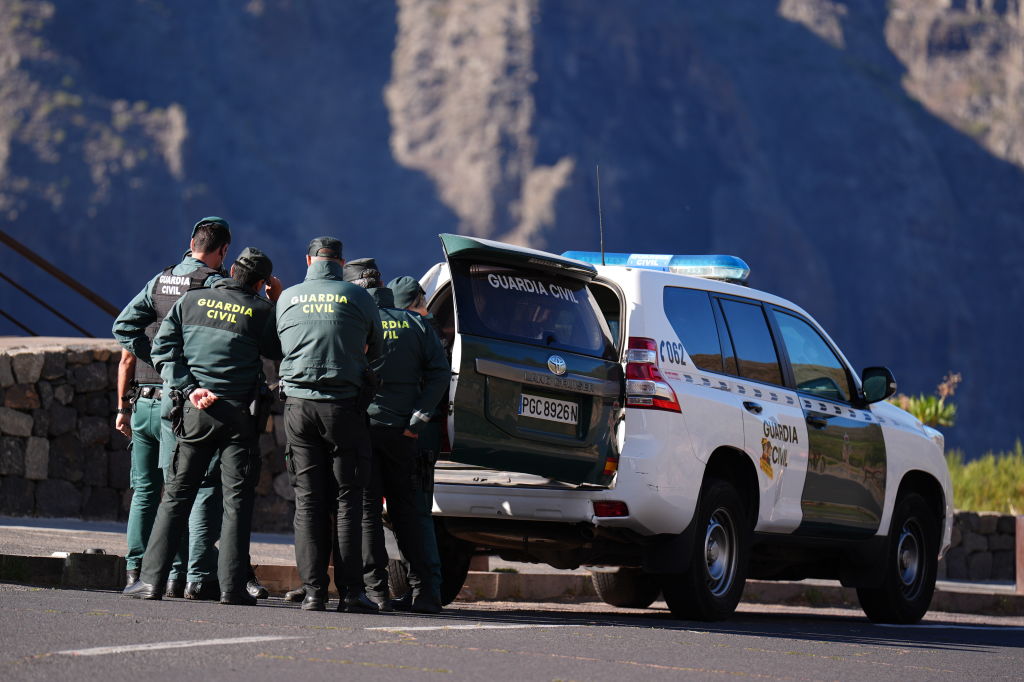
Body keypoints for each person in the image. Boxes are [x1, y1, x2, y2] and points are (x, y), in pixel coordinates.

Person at [123, 247, 282, 605]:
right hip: (240, 417)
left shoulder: (192, 301)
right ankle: (232, 588)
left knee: (176, 496)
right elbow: (281, 348)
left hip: (195, 411)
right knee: (237, 502)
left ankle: (150, 583)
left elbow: (163, 349)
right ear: (260, 283)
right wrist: (276, 299)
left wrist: (191, 388)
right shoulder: (260, 311)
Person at [112, 218, 236, 598]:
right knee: (182, 487)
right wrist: (175, 370)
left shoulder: (160, 281)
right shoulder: (213, 284)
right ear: (223, 251)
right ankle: (179, 573)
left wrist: (155, 360)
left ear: (190, 242)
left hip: (142, 399)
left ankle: (135, 570)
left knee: (145, 491)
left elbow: (123, 327)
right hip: (178, 400)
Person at [275, 238, 383, 613]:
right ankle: (351, 593)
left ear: (308, 260)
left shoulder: (287, 297)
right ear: (341, 262)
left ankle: (313, 592)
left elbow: (280, 345)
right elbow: (376, 348)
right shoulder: (358, 297)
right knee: (347, 500)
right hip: (342, 408)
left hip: (298, 408)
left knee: (308, 501)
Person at [345, 260, 449, 614]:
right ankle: (426, 593)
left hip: (365, 430)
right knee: (412, 513)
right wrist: (418, 419)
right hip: (406, 435)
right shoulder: (417, 325)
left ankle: (377, 593)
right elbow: (440, 374)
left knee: (367, 513)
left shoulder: (359, 323)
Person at [385, 275, 448, 607]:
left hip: (417, 436)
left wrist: (417, 419)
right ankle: (420, 588)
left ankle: (427, 590)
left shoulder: (424, 329)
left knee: (415, 513)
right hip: (415, 432)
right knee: (406, 513)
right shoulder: (426, 330)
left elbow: (438, 376)